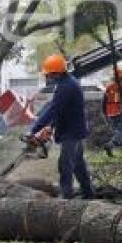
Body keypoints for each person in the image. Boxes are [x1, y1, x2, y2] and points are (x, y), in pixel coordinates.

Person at [28, 54, 94, 199]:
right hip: (74, 130)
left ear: (56, 73)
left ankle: (66, 198)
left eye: (49, 75)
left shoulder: (66, 87)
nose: (48, 78)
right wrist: (50, 126)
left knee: (65, 165)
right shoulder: (67, 83)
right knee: (78, 164)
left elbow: (53, 109)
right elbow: (61, 109)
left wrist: (34, 129)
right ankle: (88, 193)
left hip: (72, 132)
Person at [102, 67, 122, 157]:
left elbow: (104, 101)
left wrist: (105, 112)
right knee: (121, 131)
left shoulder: (109, 87)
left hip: (111, 112)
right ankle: (110, 145)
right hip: (120, 111)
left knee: (120, 130)